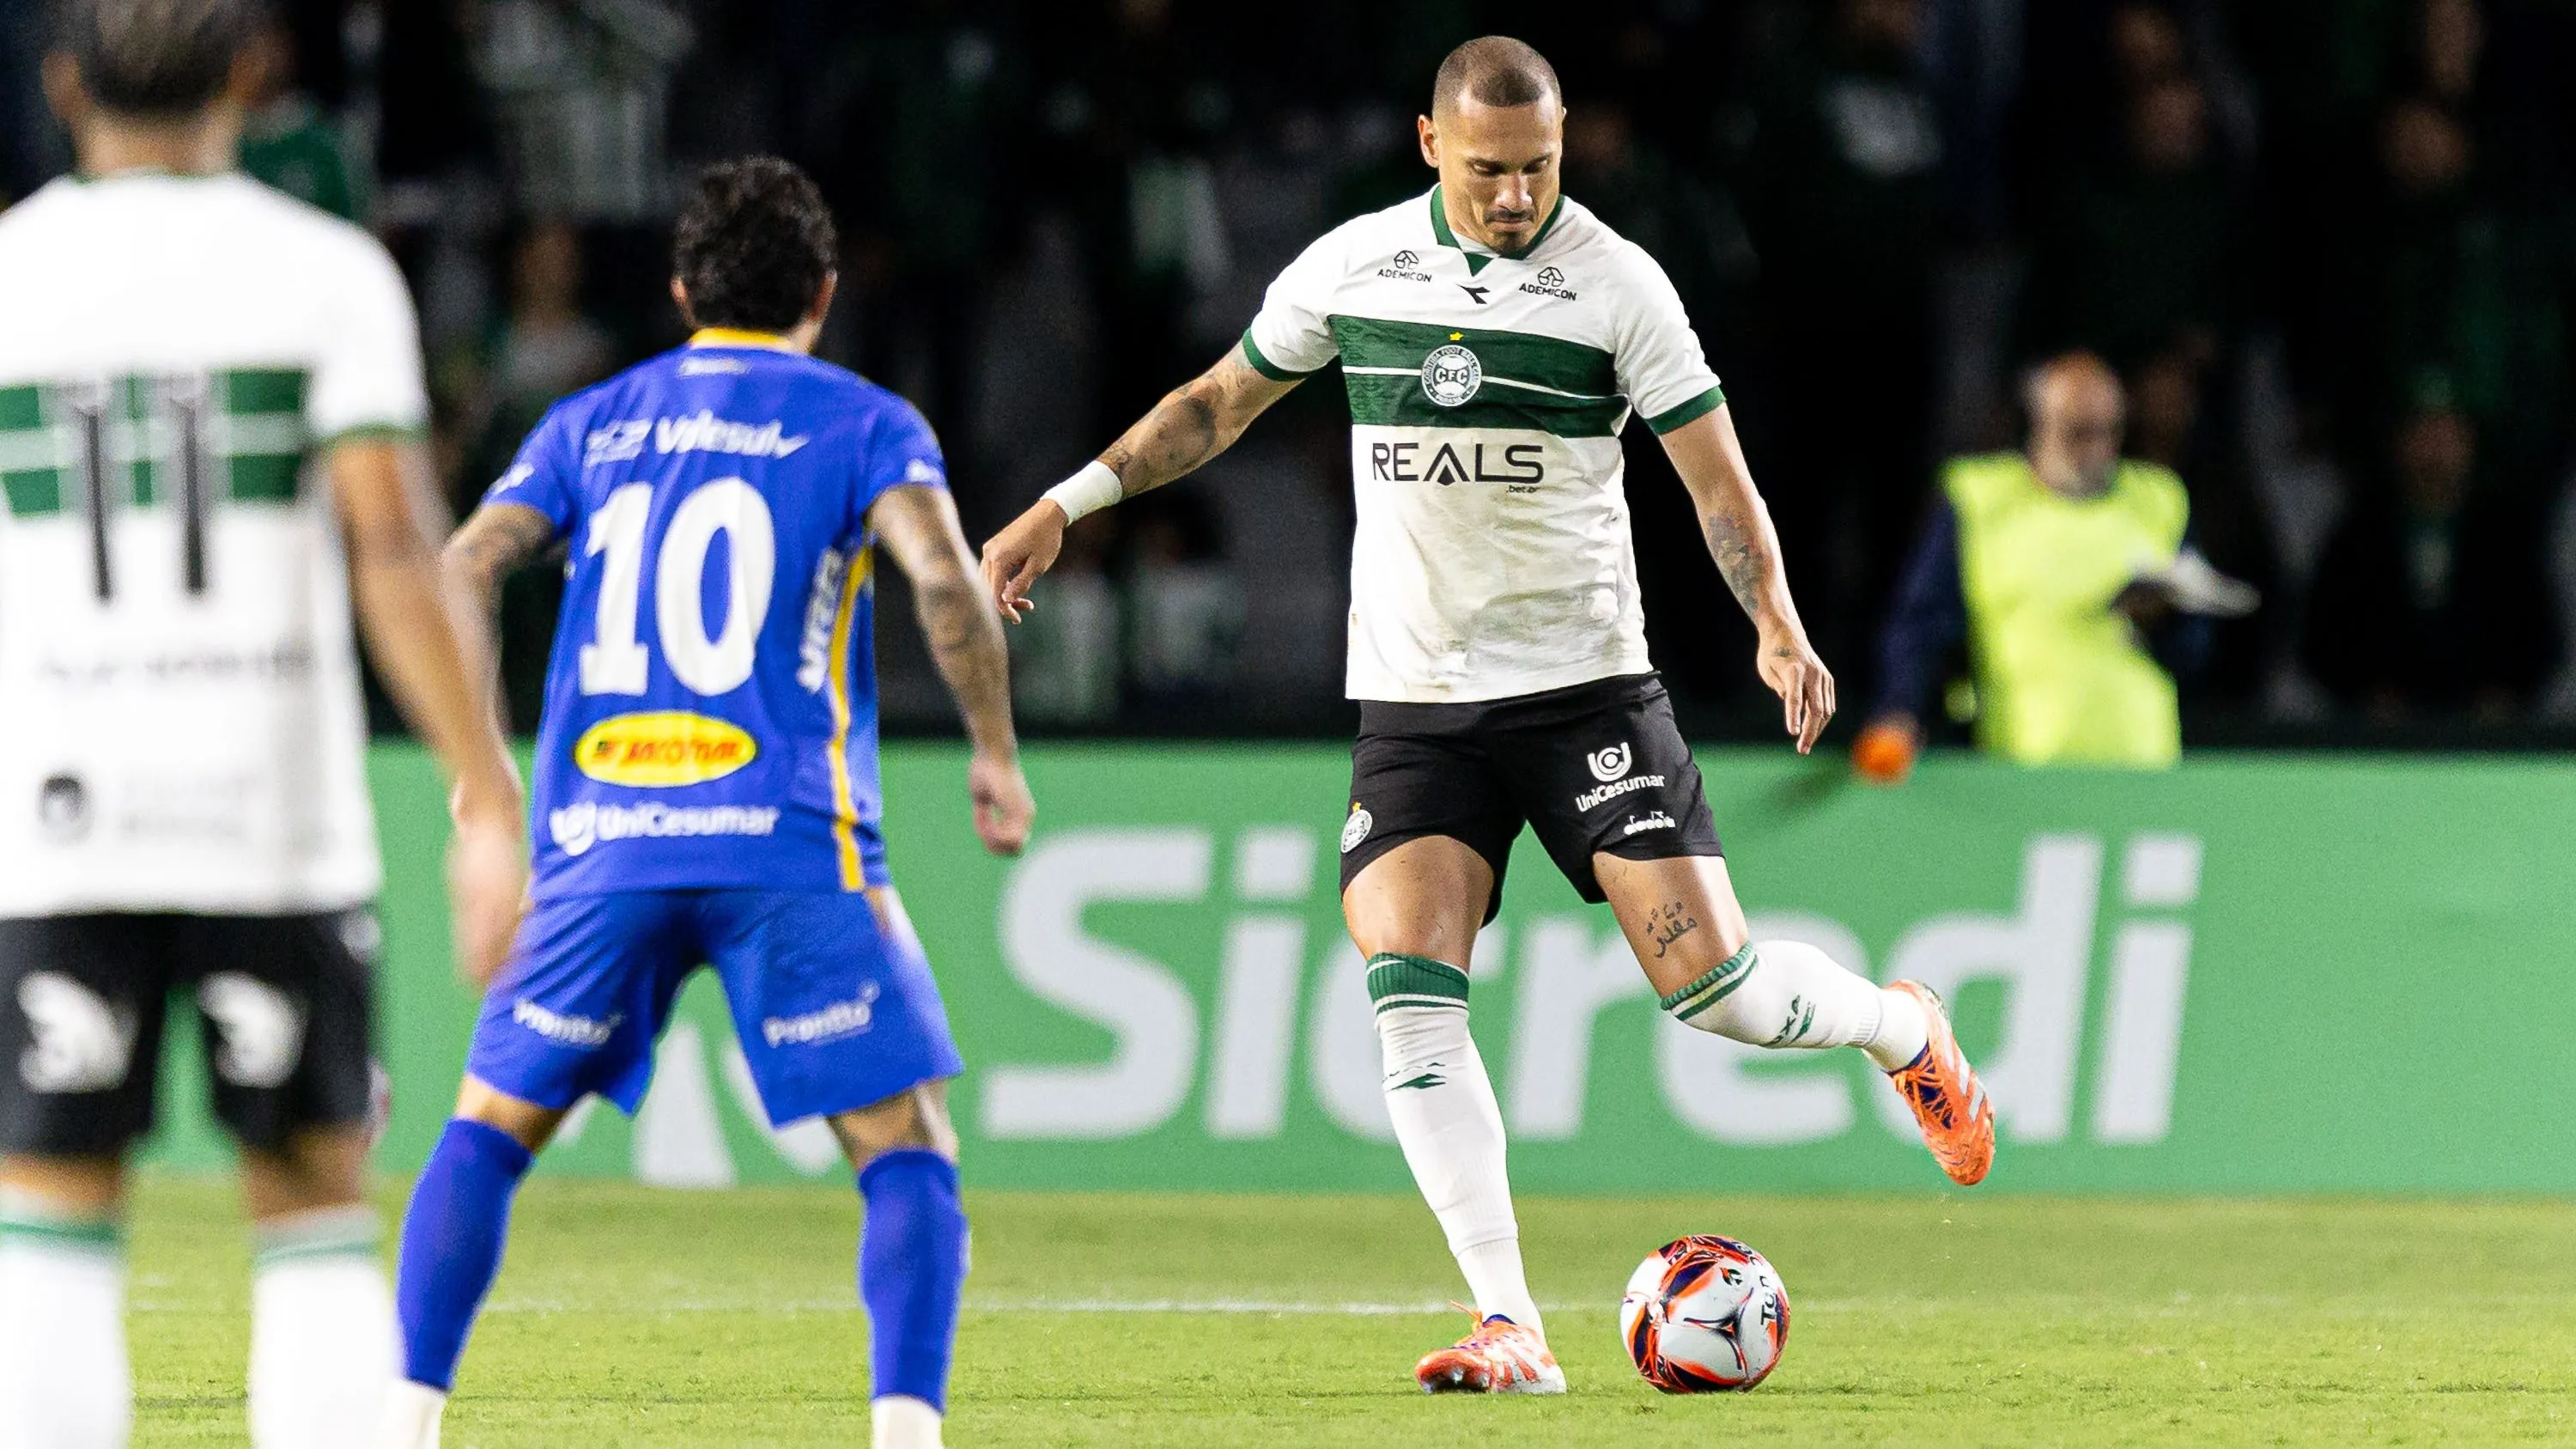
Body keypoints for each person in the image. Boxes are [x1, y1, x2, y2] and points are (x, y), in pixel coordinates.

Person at [981, 36, 1993, 1397]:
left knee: (1720, 994)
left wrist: (1778, 625)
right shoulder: (1353, 268)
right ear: (1428, 145)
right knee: (1408, 993)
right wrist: (1066, 505)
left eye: (1540, 168)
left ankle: (1897, 1027)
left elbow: (1715, 480)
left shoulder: (1620, 284)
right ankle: (1510, 1319)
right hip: (1415, 704)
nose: (1518, 196)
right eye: (1490, 170)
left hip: (1584, 690)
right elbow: (1216, 404)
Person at [379, 158, 1033, 1449]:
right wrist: (994, 749)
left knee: (490, 1123)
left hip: (599, 842)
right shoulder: (865, 421)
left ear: (683, 291)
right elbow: (947, 584)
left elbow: (460, 564)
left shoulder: (590, 423)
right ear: (825, 294)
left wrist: (480, 771)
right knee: (904, 1138)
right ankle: (906, 1431)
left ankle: (402, 1417)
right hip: (787, 840)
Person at [0, 1, 528, 1444]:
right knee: (307, 1206)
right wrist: (484, 795)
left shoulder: (9, 273)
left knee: (49, 1207)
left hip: (56, 819)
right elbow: (392, 549)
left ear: (62, 88)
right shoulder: (325, 274)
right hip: (269, 817)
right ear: (246, 77)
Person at [1856, 353, 2244, 778]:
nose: (2096, 448)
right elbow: (1923, 625)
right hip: (2022, 766)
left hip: (2141, 767)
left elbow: (2196, 651)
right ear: (2037, 424)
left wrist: (2161, 621)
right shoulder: (1979, 499)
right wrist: (1899, 709)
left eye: (2109, 430)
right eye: (2077, 432)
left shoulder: (2159, 499)